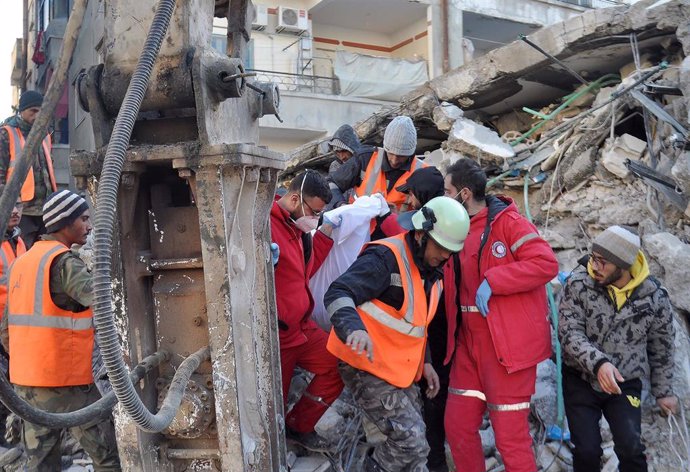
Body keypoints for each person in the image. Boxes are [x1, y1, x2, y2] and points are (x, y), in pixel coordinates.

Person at [325, 196, 470, 472]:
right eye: (441, 247)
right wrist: (353, 329)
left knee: (417, 451)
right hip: (365, 364)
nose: (445, 256)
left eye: (451, 251)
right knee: (410, 443)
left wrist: (425, 362)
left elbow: (416, 323)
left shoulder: (432, 271)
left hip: (397, 369)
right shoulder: (384, 258)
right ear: (420, 234)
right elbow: (338, 292)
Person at [442, 158, 558, 472]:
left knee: (510, 440)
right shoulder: (454, 227)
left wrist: (495, 281)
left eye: (447, 190)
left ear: (464, 194)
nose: (443, 196)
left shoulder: (508, 223)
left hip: (505, 351)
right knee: (457, 427)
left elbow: (546, 264)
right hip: (468, 347)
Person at [1, 190, 121, 471]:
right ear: (65, 223)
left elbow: (6, 329)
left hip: (26, 385)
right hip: (67, 384)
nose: (89, 226)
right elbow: (103, 301)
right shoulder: (64, 262)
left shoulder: (22, 262)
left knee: (40, 463)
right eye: (84, 218)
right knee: (106, 458)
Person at [558, 225, 676, 472]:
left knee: (631, 447)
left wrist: (664, 391)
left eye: (603, 262)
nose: (595, 266)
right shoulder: (578, 285)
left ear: (624, 266)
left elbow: (661, 346)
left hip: (626, 382)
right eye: (593, 258)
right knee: (587, 451)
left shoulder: (654, 297)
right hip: (580, 379)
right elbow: (569, 333)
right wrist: (599, 364)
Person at [270, 170, 344, 444]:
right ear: (294, 198)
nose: (314, 219)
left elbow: (305, 271)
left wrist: (323, 236)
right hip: (281, 336)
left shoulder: (298, 232)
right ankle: (276, 449)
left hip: (303, 328)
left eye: (320, 214)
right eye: (313, 212)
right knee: (272, 405)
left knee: (339, 365)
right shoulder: (265, 226)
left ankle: (299, 425)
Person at [328, 116, 426, 213]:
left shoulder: (424, 172)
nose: (394, 160)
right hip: (360, 226)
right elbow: (331, 184)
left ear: (411, 153)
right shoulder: (365, 159)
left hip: (399, 228)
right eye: (391, 153)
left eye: (401, 156)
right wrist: (341, 205)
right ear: (385, 147)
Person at [0, 91, 57, 248]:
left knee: (44, 254)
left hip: (45, 208)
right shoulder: (6, 134)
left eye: (41, 111)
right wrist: (8, 206)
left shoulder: (45, 135)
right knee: (21, 252)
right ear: (21, 111)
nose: (37, 115)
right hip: (21, 212)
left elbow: (47, 170)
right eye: (33, 111)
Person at [371, 165, 445, 240]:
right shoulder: (436, 215)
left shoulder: (436, 225)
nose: (409, 201)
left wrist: (386, 216)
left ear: (423, 194)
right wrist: (394, 216)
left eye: (411, 194)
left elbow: (410, 239)